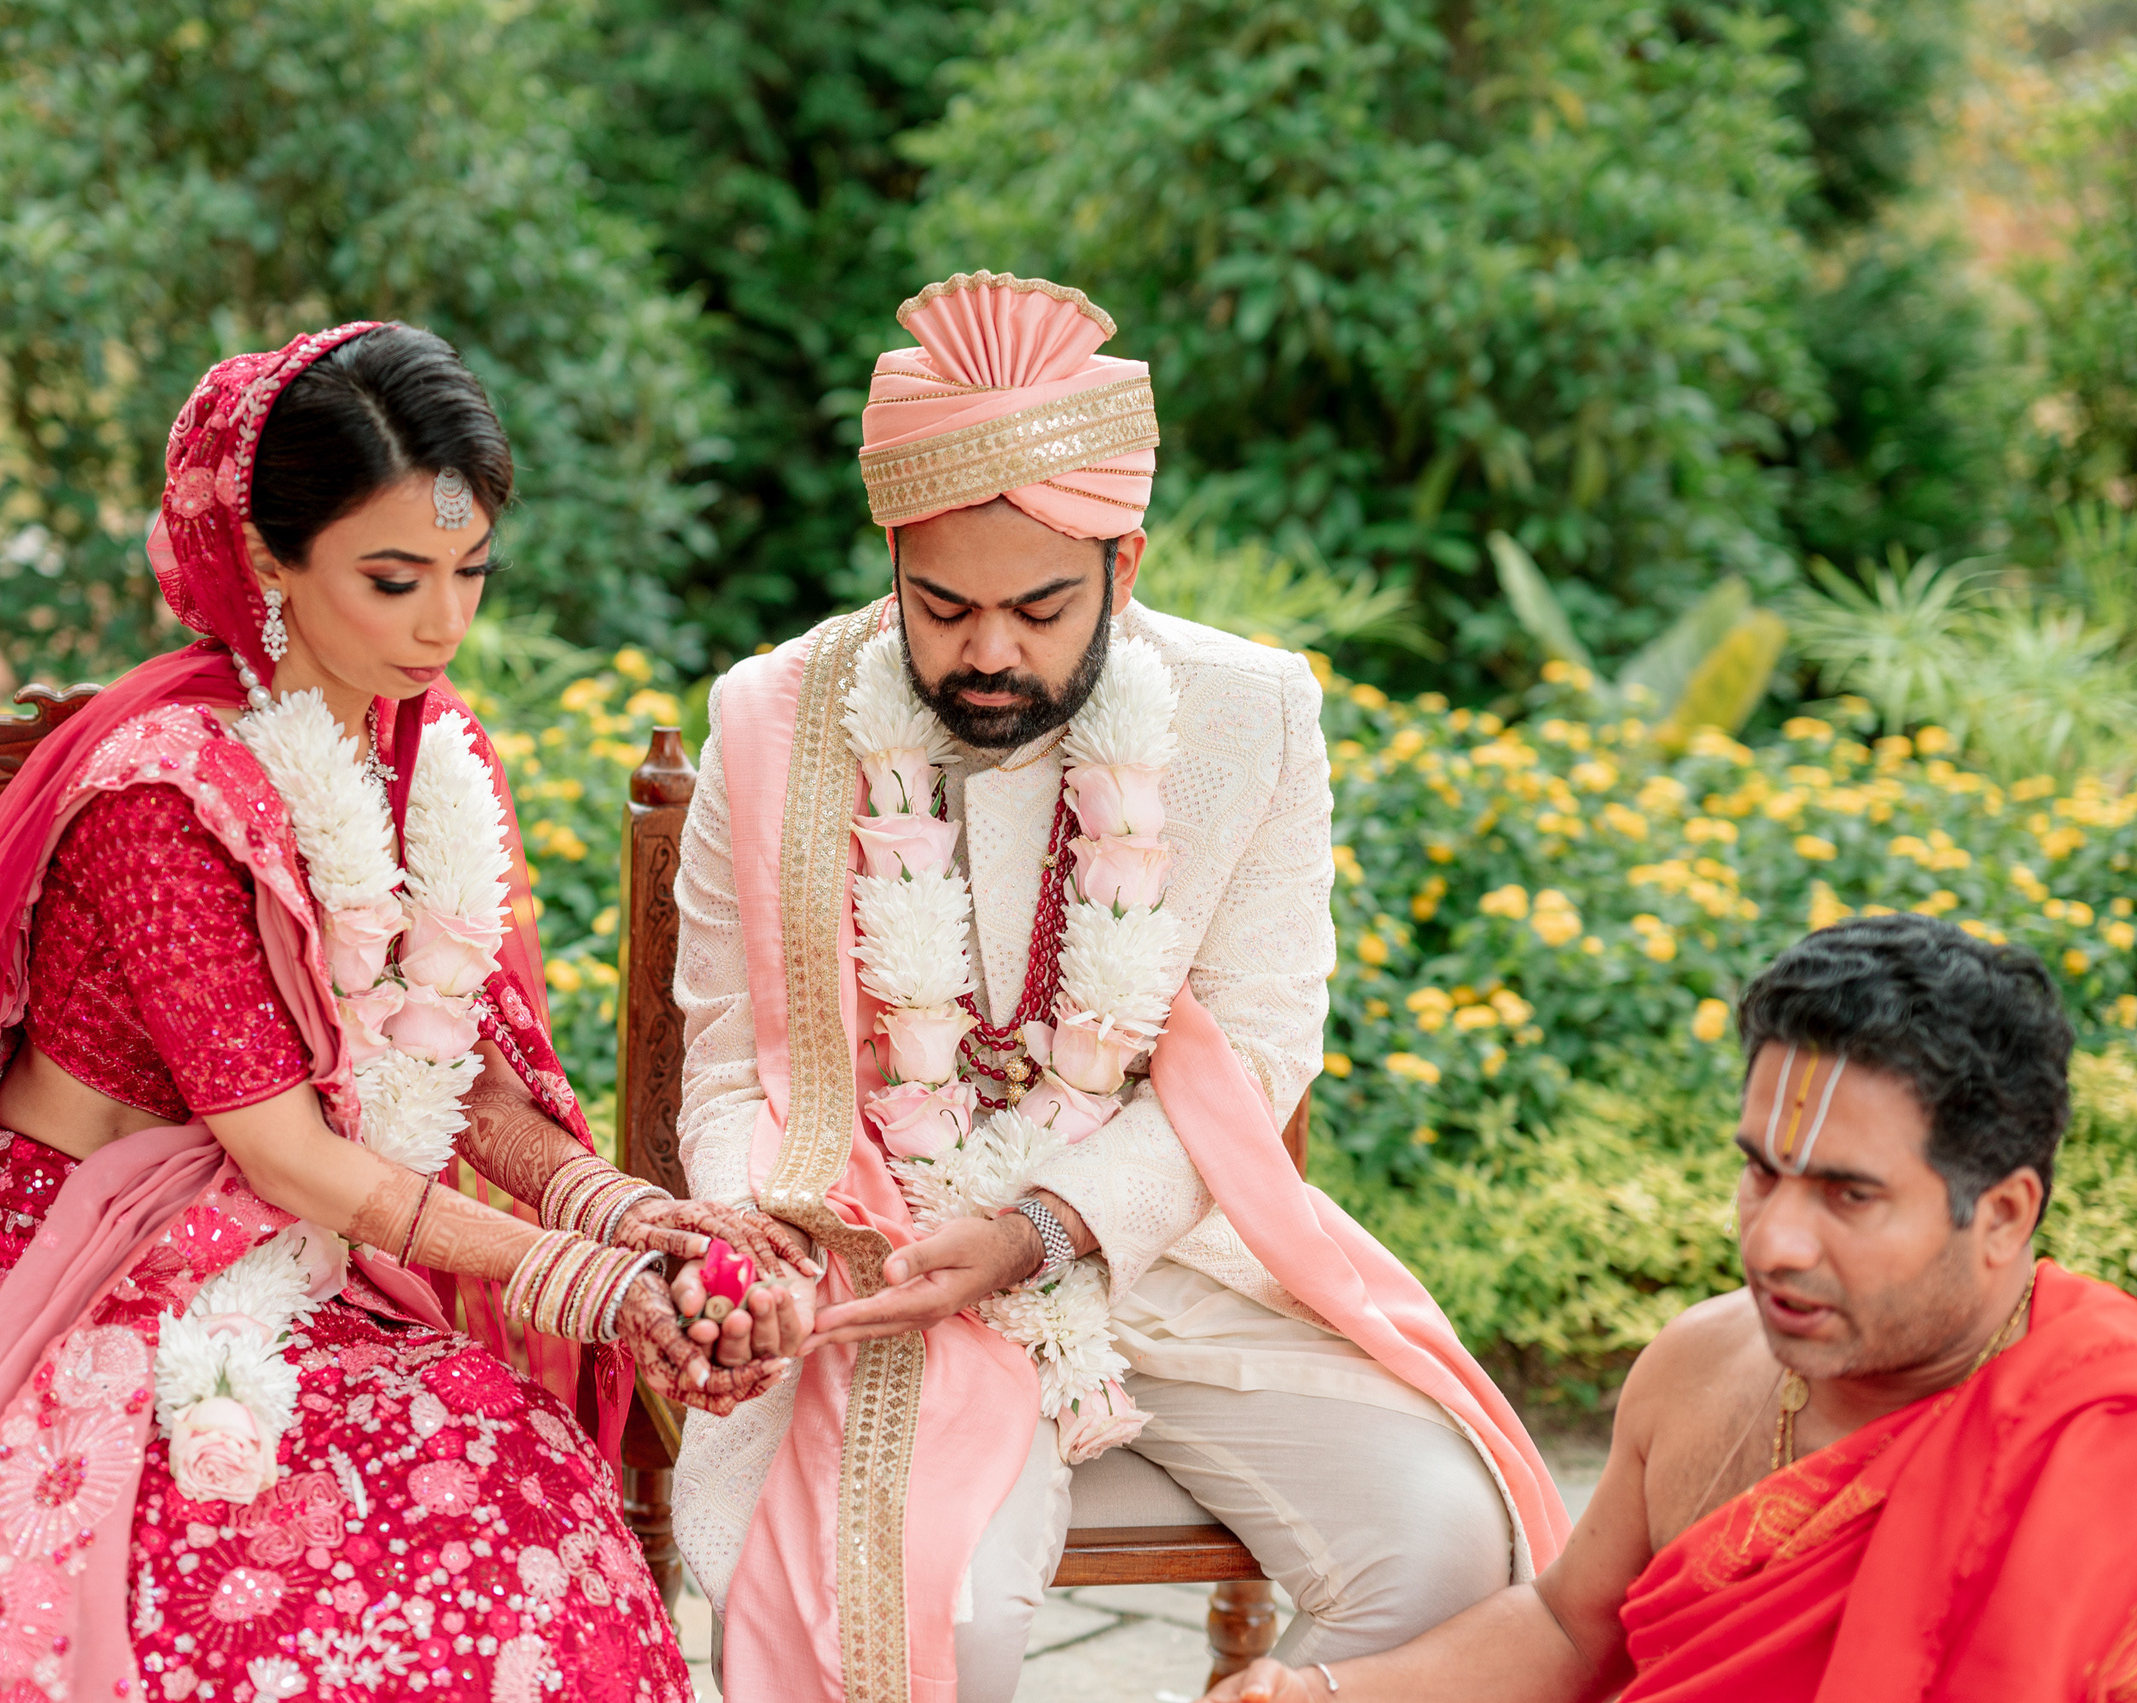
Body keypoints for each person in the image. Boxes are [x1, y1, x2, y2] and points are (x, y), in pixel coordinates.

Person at [0, 322, 809, 1703]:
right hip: (66, 1266)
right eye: (393, 578)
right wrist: (586, 1283)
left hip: (308, 1260)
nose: (443, 624)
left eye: (471, 570)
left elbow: (445, 1064)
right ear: (267, 560)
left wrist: (625, 1215)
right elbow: (285, 1148)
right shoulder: (165, 792)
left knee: (510, 1516)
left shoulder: (423, 751)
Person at [661, 270, 1570, 1703]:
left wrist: (1045, 1225)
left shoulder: (1250, 713)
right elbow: (728, 1063)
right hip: (881, 1266)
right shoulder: (775, 718)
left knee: (1445, 1537)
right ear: (892, 559)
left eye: (1039, 606)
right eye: (941, 605)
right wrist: (773, 1239)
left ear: (1124, 565)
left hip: (1150, 1251)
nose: (989, 651)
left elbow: (1258, 1045)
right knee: (932, 1616)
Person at [1203, 912, 2137, 1703]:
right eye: (1761, 1172)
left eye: (1848, 1195)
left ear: (2002, 1214)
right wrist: (1328, 1691)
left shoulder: (2103, 1447)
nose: (1775, 1241)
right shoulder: (1701, 1364)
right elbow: (1570, 1627)